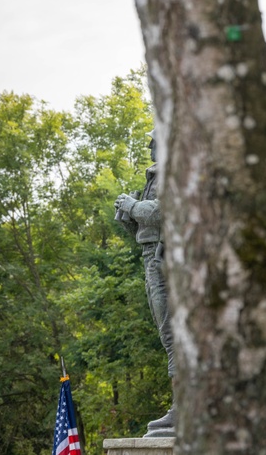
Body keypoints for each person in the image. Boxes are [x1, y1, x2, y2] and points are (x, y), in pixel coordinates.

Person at [115, 129, 175, 438]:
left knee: (172, 333)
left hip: (167, 261)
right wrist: (127, 218)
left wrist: (131, 205)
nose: (151, 144)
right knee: (169, 335)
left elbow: (160, 212)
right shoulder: (156, 176)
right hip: (152, 256)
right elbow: (146, 226)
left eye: (155, 139)